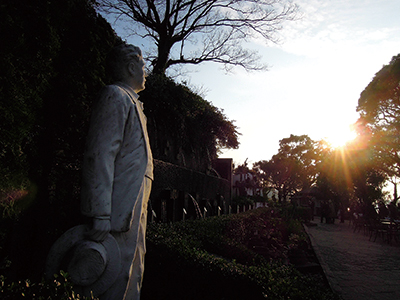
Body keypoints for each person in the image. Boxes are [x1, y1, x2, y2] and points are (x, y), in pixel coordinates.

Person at [80, 43, 153, 300]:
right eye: (143, 66)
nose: (146, 72)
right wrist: (99, 211)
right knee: (112, 278)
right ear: (131, 66)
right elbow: (100, 154)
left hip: (133, 204)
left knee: (131, 272)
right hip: (117, 207)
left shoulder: (132, 102)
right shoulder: (115, 96)